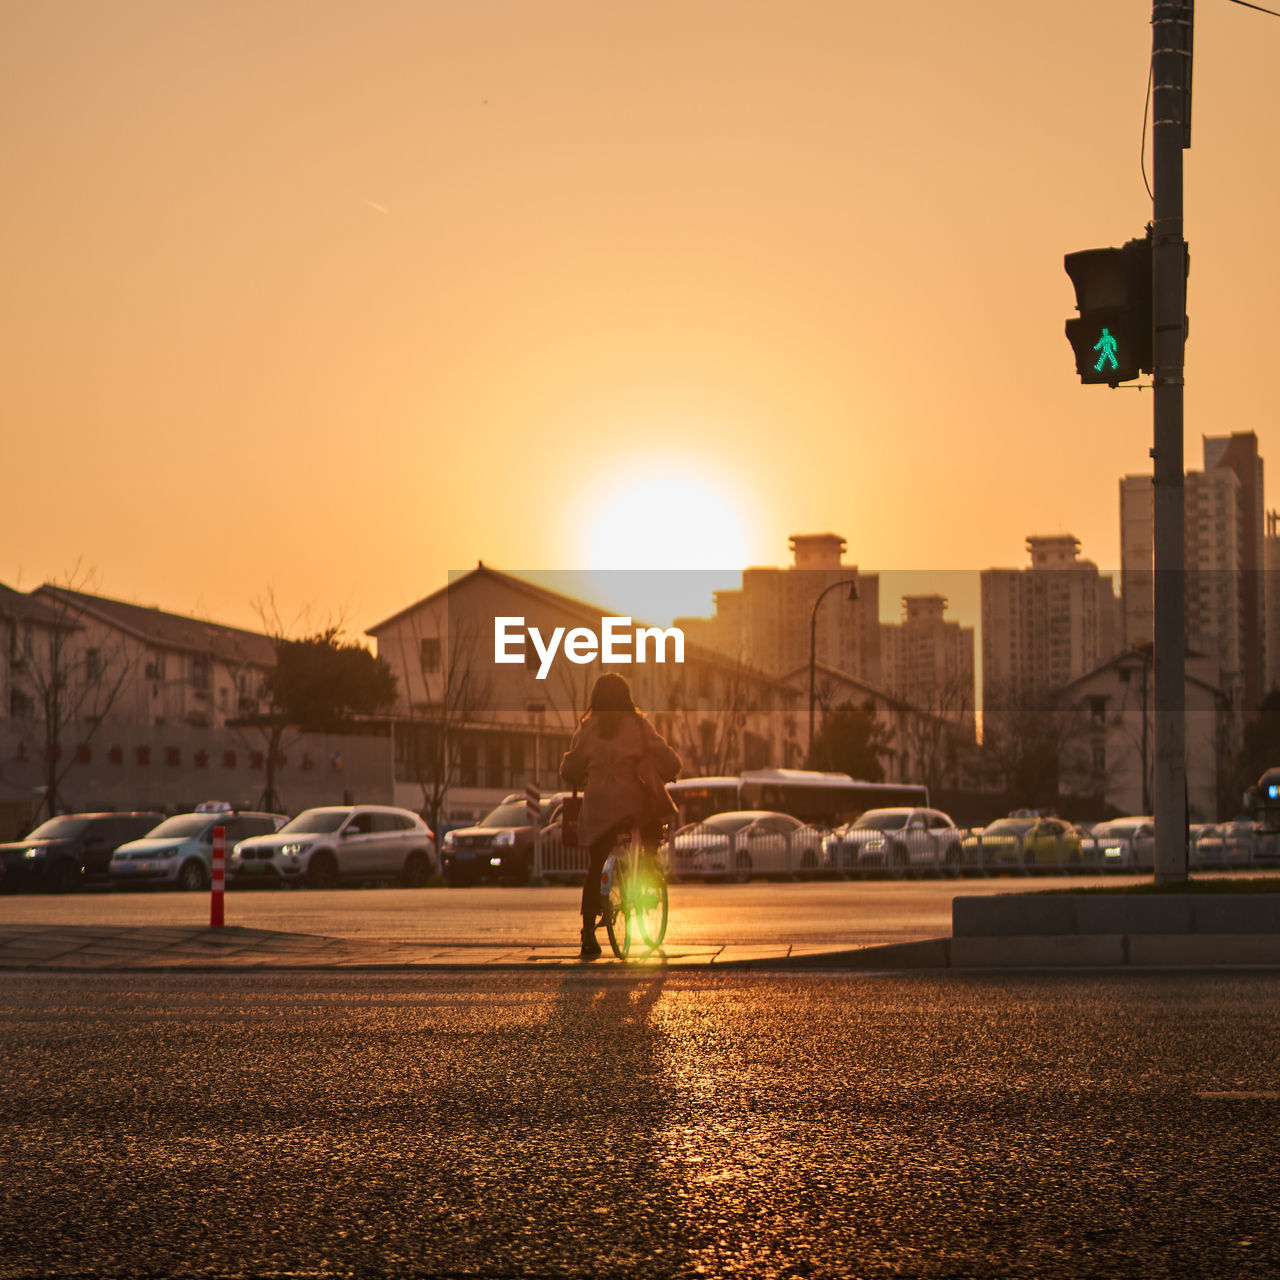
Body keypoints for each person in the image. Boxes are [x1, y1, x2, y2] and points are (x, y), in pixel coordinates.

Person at [560, 672, 682, 958]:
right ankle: (647, 871)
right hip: (631, 804)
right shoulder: (639, 726)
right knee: (649, 828)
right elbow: (665, 756)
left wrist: (581, 773)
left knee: (594, 869)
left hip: (598, 807)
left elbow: (571, 769)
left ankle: (588, 934)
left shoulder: (587, 729)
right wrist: (670, 770)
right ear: (626, 698)